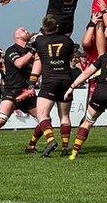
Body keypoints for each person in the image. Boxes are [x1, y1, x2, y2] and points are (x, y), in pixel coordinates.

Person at [0, 28, 47, 156]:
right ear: (17, 36)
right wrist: (32, 50)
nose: (27, 31)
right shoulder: (12, 50)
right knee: (0, 120)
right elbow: (19, 64)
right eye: (23, 30)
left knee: (45, 120)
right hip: (12, 91)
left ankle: (31, 146)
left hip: (26, 92)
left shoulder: (31, 51)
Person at [30, 15, 74, 157]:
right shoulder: (68, 41)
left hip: (50, 80)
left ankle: (51, 141)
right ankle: (65, 147)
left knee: (42, 115)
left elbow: (34, 48)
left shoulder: (39, 41)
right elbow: (70, 58)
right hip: (66, 79)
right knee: (65, 116)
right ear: (57, 27)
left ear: (44, 27)